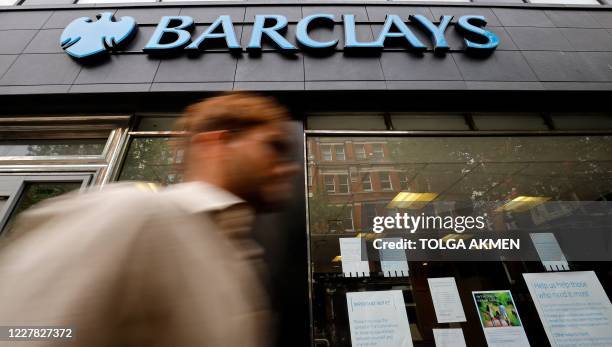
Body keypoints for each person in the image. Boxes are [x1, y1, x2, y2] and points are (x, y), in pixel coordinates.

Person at [0, 92, 298, 347]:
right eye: (273, 147)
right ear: (215, 143)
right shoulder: (132, 212)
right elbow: (23, 333)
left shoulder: (238, 256)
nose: (287, 168)